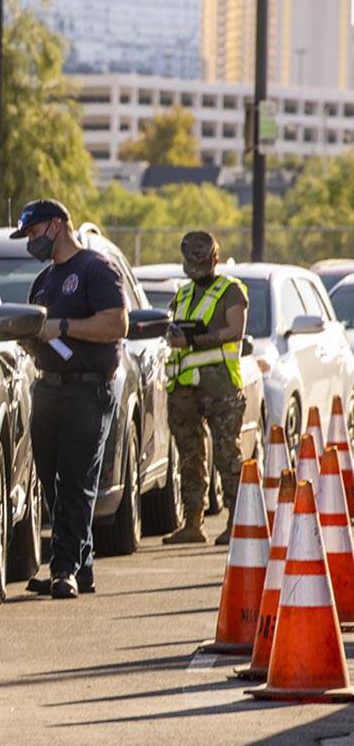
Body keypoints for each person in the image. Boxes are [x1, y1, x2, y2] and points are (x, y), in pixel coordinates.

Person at [13, 199, 128, 599]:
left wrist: (61, 327)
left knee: (76, 483)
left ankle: (63, 569)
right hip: (47, 388)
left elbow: (116, 323)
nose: (30, 240)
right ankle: (84, 566)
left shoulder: (96, 269)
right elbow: (36, 333)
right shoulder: (44, 279)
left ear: (58, 225)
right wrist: (29, 338)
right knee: (52, 483)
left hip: (86, 389)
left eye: (33, 231)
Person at [161, 232, 248, 546]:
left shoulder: (231, 291)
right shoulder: (182, 294)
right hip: (185, 389)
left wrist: (194, 340)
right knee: (189, 457)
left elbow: (235, 331)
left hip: (220, 387)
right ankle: (192, 523)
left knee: (227, 453)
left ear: (215, 258)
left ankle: (237, 522)